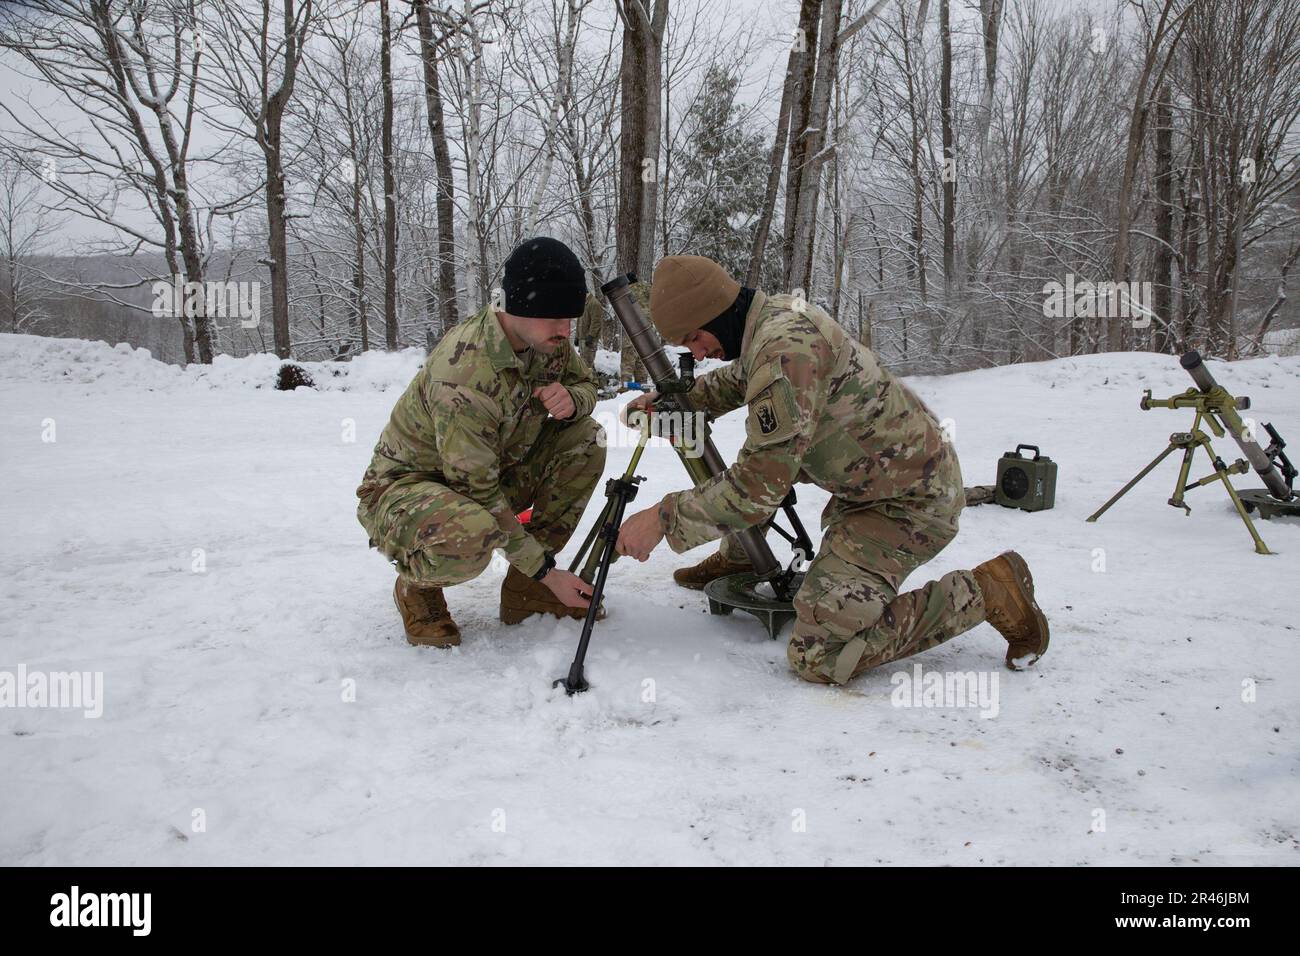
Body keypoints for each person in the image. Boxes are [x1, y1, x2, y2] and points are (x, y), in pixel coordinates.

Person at [615, 255, 1050, 684]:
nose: (699, 353)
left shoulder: (785, 349)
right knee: (768, 460)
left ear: (715, 313)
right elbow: (742, 379)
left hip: (908, 506)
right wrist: (678, 404)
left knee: (819, 655)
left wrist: (661, 518)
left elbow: (755, 488)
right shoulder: (770, 320)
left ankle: (987, 592)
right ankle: (742, 556)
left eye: (694, 339)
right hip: (871, 480)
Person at [356, 237, 606, 647]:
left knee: (587, 438)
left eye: (571, 317)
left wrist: (573, 399)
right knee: (472, 534)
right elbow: (479, 491)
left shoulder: (547, 342)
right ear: (517, 307)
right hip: (405, 492)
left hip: (490, 470)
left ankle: (526, 593)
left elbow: (585, 384)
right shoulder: (466, 373)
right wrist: (547, 571)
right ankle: (416, 585)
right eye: (555, 316)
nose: (566, 329)